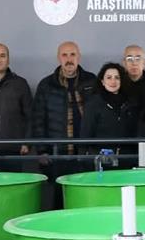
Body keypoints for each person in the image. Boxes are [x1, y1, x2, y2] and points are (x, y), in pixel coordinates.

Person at [32, 41, 97, 208]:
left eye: (72, 54)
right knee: (58, 201)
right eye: (65, 55)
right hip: (57, 155)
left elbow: (100, 116)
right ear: (58, 58)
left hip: (86, 154)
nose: (69, 59)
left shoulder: (92, 81)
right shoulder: (46, 85)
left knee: (86, 199)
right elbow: (38, 119)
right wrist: (42, 150)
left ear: (79, 57)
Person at [81, 63, 139, 163]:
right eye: (109, 77)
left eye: (117, 77)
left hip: (127, 158)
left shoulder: (130, 102)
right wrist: (83, 158)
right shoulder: (93, 103)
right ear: (102, 81)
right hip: (101, 159)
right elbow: (86, 133)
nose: (113, 81)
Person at [121, 44, 145, 133]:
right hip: (121, 135)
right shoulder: (116, 86)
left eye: (138, 59)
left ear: (144, 63)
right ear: (124, 63)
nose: (134, 63)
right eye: (129, 59)